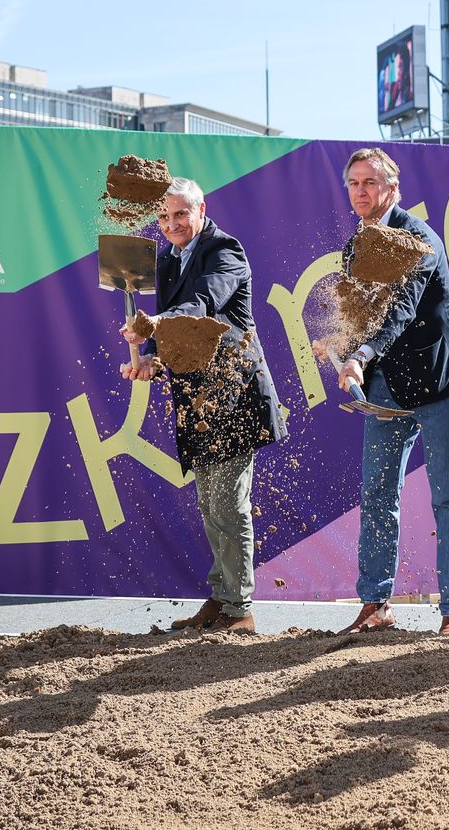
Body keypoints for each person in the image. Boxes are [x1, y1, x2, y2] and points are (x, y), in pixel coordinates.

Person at [119, 178, 287, 634]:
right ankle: (221, 597)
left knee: (228, 505)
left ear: (201, 210)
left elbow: (203, 305)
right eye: (163, 216)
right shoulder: (167, 260)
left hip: (234, 394)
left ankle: (239, 609)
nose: (171, 224)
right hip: (196, 400)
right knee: (211, 507)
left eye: (180, 214)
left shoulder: (225, 250)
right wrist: (151, 359)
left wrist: (155, 322)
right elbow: (175, 337)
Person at [332, 147, 449, 637]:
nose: (360, 191)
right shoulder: (355, 246)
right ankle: (375, 605)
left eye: (369, 182)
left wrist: (362, 354)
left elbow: (401, 309)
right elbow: (358, 313)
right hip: (386, 388)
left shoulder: (419, 239)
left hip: (440, 383)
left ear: (392, 188)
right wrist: (343, 349)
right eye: (354, 183)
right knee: (377, 493)